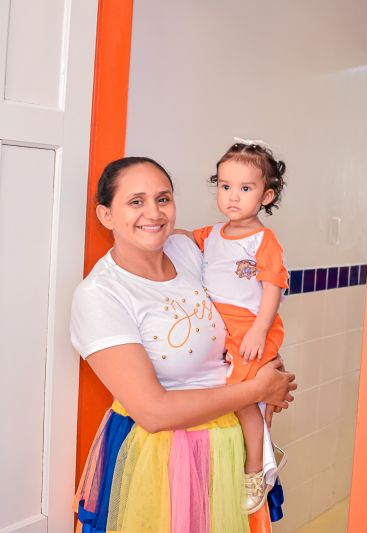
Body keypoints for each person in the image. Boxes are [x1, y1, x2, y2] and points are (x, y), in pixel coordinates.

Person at [70, 156, 297, 533]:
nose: (153, 212)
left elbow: (241, 305)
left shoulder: (187, 250)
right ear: (106, 215)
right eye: (136, 201)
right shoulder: (100, 295)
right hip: (162, 459)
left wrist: (266, 363)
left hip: (229, 446)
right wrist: (256, 389)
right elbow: (153, 412)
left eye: (163, 199)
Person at [179, 139, 288, 513]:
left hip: (249, 328)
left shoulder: (263, 240)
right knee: (232, 397)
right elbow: (183, 240)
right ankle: (256, 455)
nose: (232, 196)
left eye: (245, 188)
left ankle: (256, 468)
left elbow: (273, 287)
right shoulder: (211, 234)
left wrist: (259, 330)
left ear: (266, 196)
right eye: (225, 186)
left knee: (243, 399)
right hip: (221, 329)